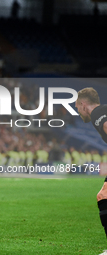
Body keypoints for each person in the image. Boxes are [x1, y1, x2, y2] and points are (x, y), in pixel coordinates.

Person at [75, 87, 107, 255]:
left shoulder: (97, 114)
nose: (78, 111)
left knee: (103, 196)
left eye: (77, 107)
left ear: (83, 104)